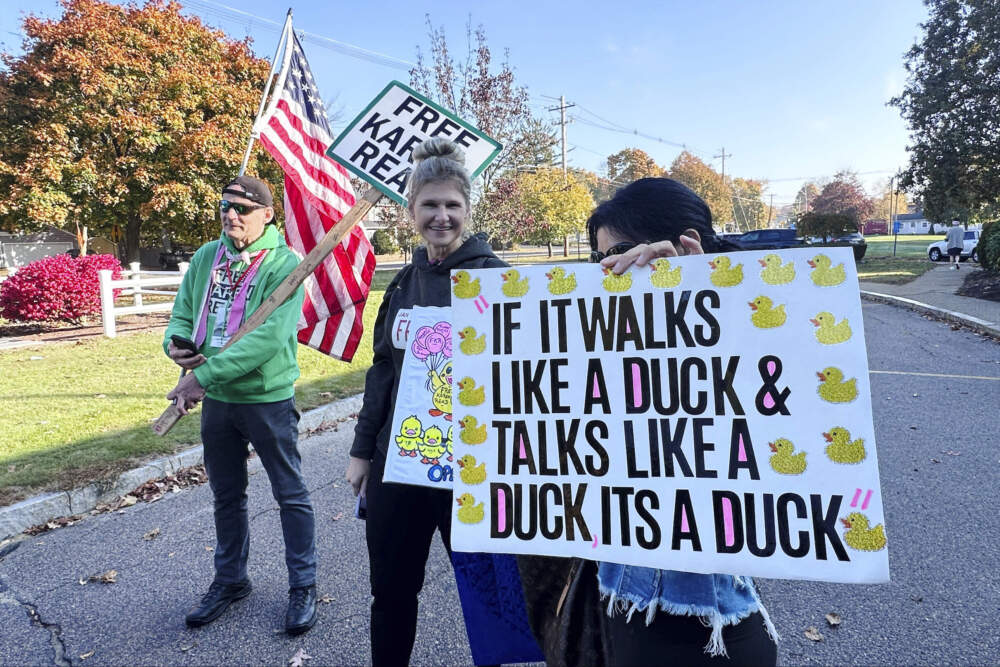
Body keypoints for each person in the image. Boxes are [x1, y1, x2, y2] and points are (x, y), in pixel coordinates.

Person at [519, 178, 778, 667]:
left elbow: (762, 424)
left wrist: (698, 296)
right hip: (621, 606)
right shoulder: (598, 337)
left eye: (619, 250)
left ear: (681, 243)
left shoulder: (744, 328)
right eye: (599, 258)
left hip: (712, 623)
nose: (608, 268)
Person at [345, 138, 512, 666]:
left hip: (476, 467)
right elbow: (383, 371)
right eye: (429, 205)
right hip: (402, 463)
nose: (441, 217)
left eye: (452, 206)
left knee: (490, 595)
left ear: (468, 210)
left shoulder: (500, 279)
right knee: (391, 592)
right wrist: (362, 450)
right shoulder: (403, 284)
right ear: (410, 211)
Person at [163, 175, 318, 635]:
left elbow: (268, 341)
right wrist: (176, 344)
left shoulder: (284, 264)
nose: (231, 215)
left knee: (290, 494)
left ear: (267, 214)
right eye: (225, 206)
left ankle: (303, 586)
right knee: (226, 496)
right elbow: (183, 311)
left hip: (266, 398)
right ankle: (231, 580)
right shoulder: (207, 257)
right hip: (216, 401)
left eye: (243, 209)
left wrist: (201, 378)